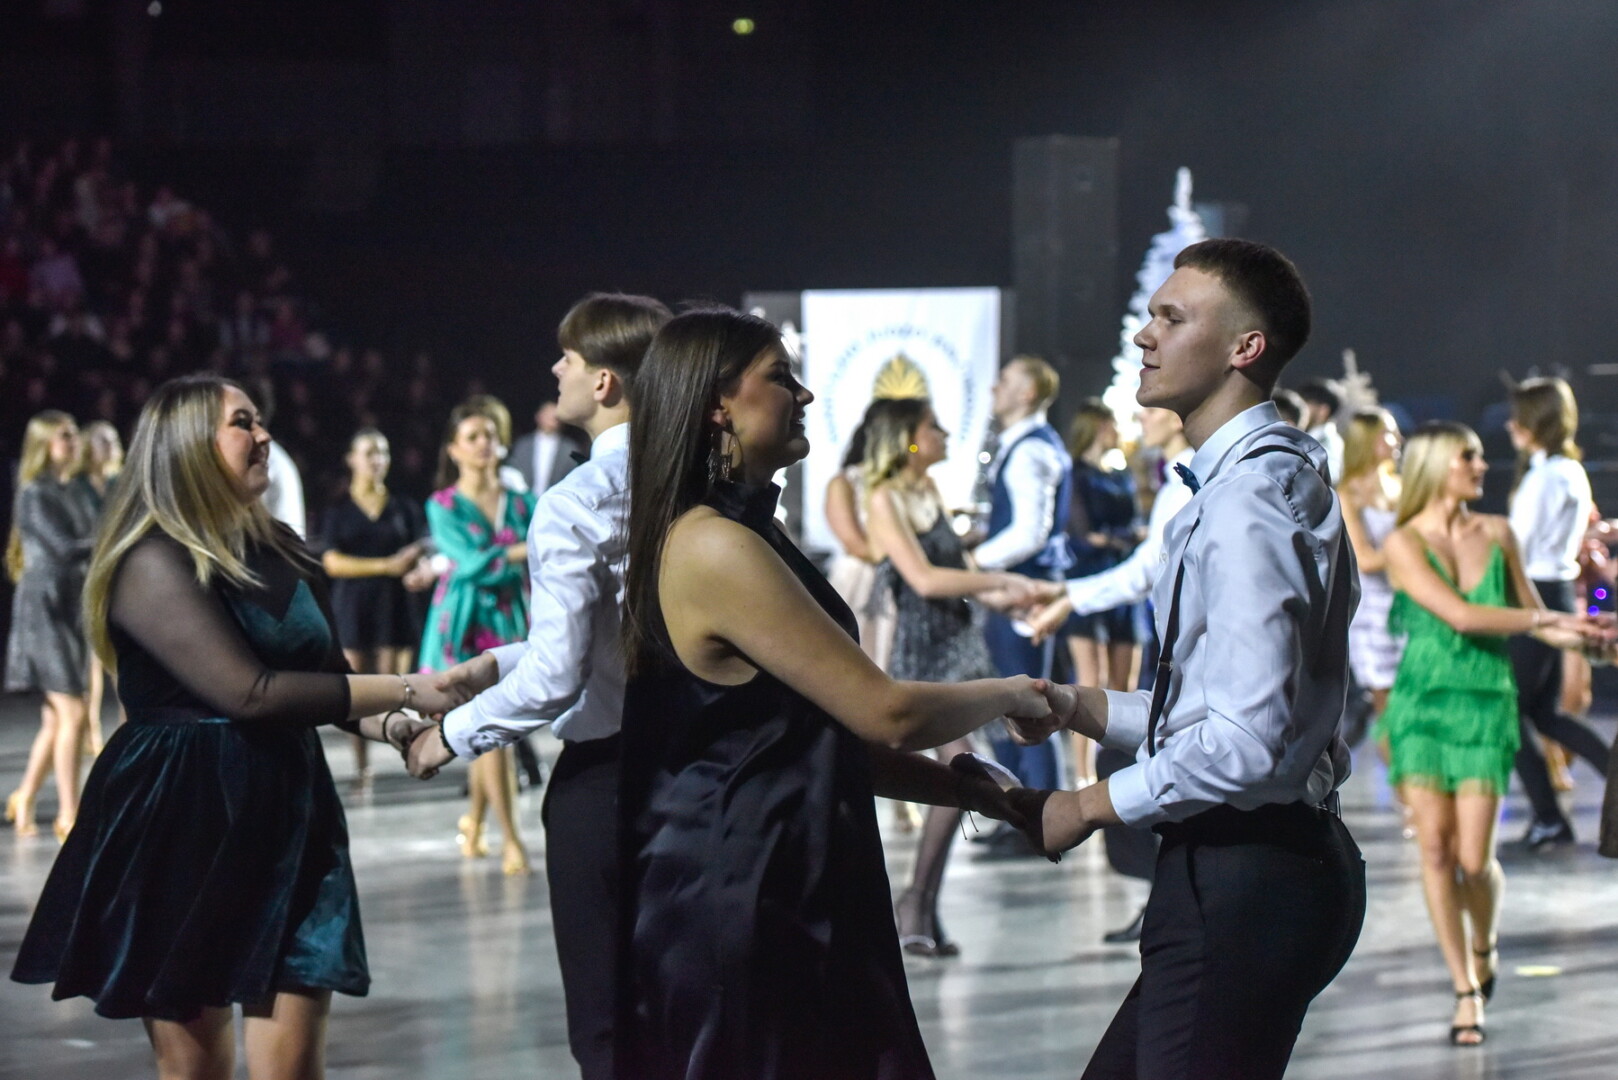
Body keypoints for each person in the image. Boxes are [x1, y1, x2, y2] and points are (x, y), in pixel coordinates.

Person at [614, 307, 1053, 1079]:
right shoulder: (712, 543)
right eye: (782, 377)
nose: (806, 395)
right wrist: (1016, 692)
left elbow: (814, 738)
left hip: (794, 875)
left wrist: (977, 794)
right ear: (718, 404)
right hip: (745, 893)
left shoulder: (748, 533)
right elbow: (885, 711)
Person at [10, 375, 456, 1080]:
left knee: (294, 1069)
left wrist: (401, 729)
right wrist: (416, 686)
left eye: (260, 419)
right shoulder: (149, 558)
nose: (264, 434)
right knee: (197, 1072)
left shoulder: (285, 547)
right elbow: (249, 694)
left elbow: (331, 684)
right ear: (187, 447)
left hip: (291, 817)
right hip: (184, 820)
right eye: (242, 422)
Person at [1009, 240, 1368, 1079]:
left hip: (1244, 879)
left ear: (1245, 347)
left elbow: (1242, 746)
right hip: (1262, 868)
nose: (1145, 335)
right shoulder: (1262, 481)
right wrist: (1075, 705)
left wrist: (1086, 806)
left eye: (1171, 318)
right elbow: (1218, 712)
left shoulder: (1247, 503)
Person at [406, 291, 672, 1080]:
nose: (556, 369)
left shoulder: (576, 499)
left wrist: (450, 735)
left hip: (610, 780)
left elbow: (562, 672)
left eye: (569, 357)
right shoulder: (691, 481)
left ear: (604, 382)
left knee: (608, 1024)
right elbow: (616, 635)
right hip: (698, 766)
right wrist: (494, 665)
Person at [1378, 420, 1598, 1044]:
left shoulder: (1498, 533)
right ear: (1435, 466)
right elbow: (1460, 614)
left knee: (1475, 861)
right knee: (1435, 852)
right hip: (1422, 707)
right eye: (1468, 457)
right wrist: (1545, 620)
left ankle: (1486, 943)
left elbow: (1538, 619)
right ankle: (1464, 989)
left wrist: (1589, 637)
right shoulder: (1402, 542)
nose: (1482, 465)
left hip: (1485, 707)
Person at [861, 396, 1040, 957]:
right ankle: (916, 901)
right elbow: (924, 580)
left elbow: (962, 571)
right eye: (932, 427)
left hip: (959, 642)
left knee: (962, 768)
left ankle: (920, 904)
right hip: (924, 650)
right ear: (908, 439)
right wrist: (1000, 582)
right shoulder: (883, 497)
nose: (943, 434)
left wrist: (1012, 597)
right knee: (961, 767)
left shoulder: (928, 491)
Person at [1021, 405, 1196, 944]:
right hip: (1167, 652)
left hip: (1187, 667)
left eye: (1150, 412)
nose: (1139, 419)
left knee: (1131, 761)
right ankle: (1164, 900)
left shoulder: (1190, 481)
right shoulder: (1177, 479)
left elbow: (1145, 569)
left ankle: (1168, 902)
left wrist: (1068, 596)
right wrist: (1067, 593)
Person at [419, 400, 538, 874]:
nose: (484, 444)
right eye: (472, 437)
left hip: (509, 621)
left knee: (490, 731)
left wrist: (515, 554)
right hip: (463, 624)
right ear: (454, 449)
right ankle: (512, 840)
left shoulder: (523, 502)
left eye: (490, 434)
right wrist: (521, 551)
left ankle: (474, 823)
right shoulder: (442, 504)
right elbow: (470, 564)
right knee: (492, 733)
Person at [1503, 377, 1611, 848]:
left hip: (1535, 593)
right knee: (1545, 715)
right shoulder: (1569, 470)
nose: (1510, 426)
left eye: (1517, 417)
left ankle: (1549, 817)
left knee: (1508, 715)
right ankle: (1552, 815)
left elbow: (1516, 547)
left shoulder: (1545, 477)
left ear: (1534, 422)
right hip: (1558, 590)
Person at [974, 355, 1072, 796]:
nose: (994, 387)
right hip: (1017, 586)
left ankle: (1035, 806)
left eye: (1004, 380)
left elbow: (1030, 532)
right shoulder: (1029, 444)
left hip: (1021, 591)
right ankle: (1020, 804)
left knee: (1027, 704)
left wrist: (975, 562)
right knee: (1015, 700)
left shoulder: (1031, 449)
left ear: (1027, 393)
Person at [318, 428, 430, 785]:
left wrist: (421, 563)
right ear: (351, 459)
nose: (377, 460)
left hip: (394, 605)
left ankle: (413, 755)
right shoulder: (337, 510)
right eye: (369, 452)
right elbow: (332, 562)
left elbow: (425, 546)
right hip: (353, 605)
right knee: (357, 690)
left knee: (396, 689)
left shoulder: (403, 507)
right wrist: (387, 565)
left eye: (382, 452)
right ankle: (362, 767)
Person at [4, 411, 97, 840]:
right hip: (43, 612)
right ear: (44, 444)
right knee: (73, 711)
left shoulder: (70, 489)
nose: (74, 441)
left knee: (56, 719)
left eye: (75, 433)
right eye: (65, 435)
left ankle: (24, 795)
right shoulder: (34, 493)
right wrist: (112, 538)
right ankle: (69, 814)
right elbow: (62, 548)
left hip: (69, 607)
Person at [823, 406, 912, 832]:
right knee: (856, 675)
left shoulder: (899, 485)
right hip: (858, 585)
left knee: (895, 674)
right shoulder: (845, 483)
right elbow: (858, 545)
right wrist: (893, 536)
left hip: (897, 586)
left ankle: (903, 793)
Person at [1061, 398, 1144, 785]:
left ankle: (1118, 769)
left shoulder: (1121, 475)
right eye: (1112, 424)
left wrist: (1116, 538)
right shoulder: (1075, 474)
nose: (1118, 431)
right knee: (1090, 679)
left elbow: (1130, 525)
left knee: (1125, 684)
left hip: (1123, 581)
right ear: (1097, 426)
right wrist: (1122, 538)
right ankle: (1083, 773)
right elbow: (1082, 534)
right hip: (1088, 579)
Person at [1339, 408, 1406, 737]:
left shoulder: (1400, 487)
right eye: (1388, 433)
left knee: (1412, 700)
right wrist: (1410, 554)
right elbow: (1364, 558)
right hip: (1371, 611)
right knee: (1388, 708)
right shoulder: (1346, 493)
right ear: (1367, 441)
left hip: (1408, 604)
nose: (1398, 440)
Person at [78, 419, 125, 754]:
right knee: (90, 658)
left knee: (119, 655)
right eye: (101, 440)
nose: (109, 446)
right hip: (83, 575)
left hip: (116, 573)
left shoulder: (120, 482)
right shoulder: (77, 484)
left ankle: (127, 722)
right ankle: (91, 728)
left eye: (112, 440)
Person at [509, 400, 587, 497]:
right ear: (538, 416)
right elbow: (514, 471)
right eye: (548, 415)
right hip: (524, 500)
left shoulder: (570, 448)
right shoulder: (523, 444)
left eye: (556, 416)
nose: (552, 419)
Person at [1297, 378, 1344, 481]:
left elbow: (1330, 477)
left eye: (1305, 405)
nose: (1300, 410)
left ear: (1323, 410)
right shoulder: (1308, 436)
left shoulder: (1328, 441)